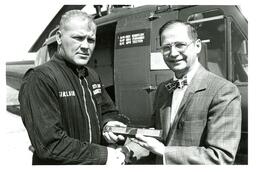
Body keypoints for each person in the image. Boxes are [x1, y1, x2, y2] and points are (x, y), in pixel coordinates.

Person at [18, 10, 129, 165]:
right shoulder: (40, 78)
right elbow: (50, 145)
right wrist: (104, 156)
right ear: (58, 38)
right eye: (78, 38)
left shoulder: (92, 75)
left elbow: (108, 111)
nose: (85, 46)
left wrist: (108, 124)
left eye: (91, 40)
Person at [132, 20, 242, 164]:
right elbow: (155, 136)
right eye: (166, 47)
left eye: (180, 45)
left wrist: (164, 152)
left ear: (197, 46)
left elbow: (220, 158)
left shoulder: (223, 91)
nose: (172, 53)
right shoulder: (163, 89)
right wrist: (127, 150)